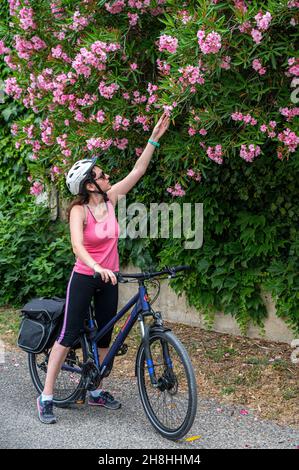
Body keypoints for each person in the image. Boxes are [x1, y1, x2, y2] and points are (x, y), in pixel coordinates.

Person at [37, 111, 170, 424]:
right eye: (101, 174)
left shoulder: (110, 199)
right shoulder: (79, 211)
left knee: (105, 338)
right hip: (85, 277)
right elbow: (77, 247)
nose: (107, 176)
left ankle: (95, 390)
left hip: (110, 278)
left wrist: (154, 136)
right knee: (68, 335)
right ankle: (45, 395)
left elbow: (138, 170)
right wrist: (97, 266)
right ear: (89, 185)